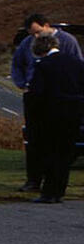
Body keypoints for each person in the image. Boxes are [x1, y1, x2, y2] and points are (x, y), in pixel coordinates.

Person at [10, 13, 83, 192]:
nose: (35, 36)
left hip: (59, 98)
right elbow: (17, 64)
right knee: (35, 140)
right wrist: (22, 84)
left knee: (56, 143)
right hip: (35, 95)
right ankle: (34, 180)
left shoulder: (68, 42)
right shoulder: (27, 44)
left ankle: (53, 185)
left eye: (38, 32)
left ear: (47, 26)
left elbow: (77, 67)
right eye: (32, 34)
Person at [27, 34, 84, 203]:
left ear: (39, 49)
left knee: (49, 153)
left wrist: (33, 114)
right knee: (65, 155)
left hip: (51, 115)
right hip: (74, 114)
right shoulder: (77, 63)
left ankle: (48, 192)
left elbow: (37, 93)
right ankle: (59, 191)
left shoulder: (43, 65)